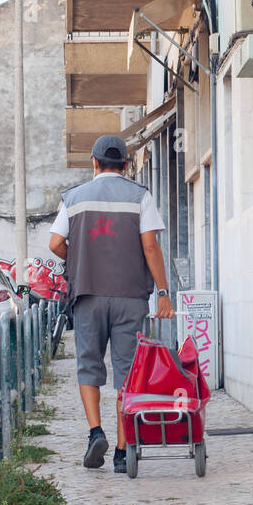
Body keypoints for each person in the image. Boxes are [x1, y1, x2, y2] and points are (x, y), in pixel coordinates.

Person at [48, 135, 175, 474]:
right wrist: (162, 293)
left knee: (88, 366)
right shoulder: (140, 196)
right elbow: (150, 246)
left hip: (87, 295)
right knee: (127, 372)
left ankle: (95, 433)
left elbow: (55, 242)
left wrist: (78, 261)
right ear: (126, 165)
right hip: (130, 298)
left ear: (94, 163)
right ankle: (122, 451)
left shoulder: (73, 198)